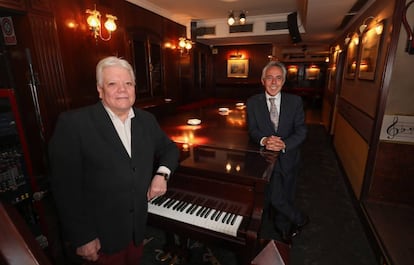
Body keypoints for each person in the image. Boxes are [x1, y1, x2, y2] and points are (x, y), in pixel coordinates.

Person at [48, 56, 179, 264]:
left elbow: (170, 149)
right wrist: (83, 237)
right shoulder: (74, 124)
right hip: (100, 237)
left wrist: (162, 174)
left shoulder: (146, 120)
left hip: (136, 231)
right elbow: (65, 187)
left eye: (128, 83)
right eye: (112, 84)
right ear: (100, 90)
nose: (122, 89)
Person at [246, 60, 308, 243]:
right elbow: (253, 130)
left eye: (278, 78)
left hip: (288, 157)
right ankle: (299, 219)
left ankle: (284, 229)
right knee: (271, 195)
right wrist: (265, 140)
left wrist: (284, 144)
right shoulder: (253, 102)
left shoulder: (295, 101)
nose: (274, 82)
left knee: (285, 194)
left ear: (284, 81)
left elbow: (301, 130)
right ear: (263, 80)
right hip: (264, 159)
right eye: (270, 78)